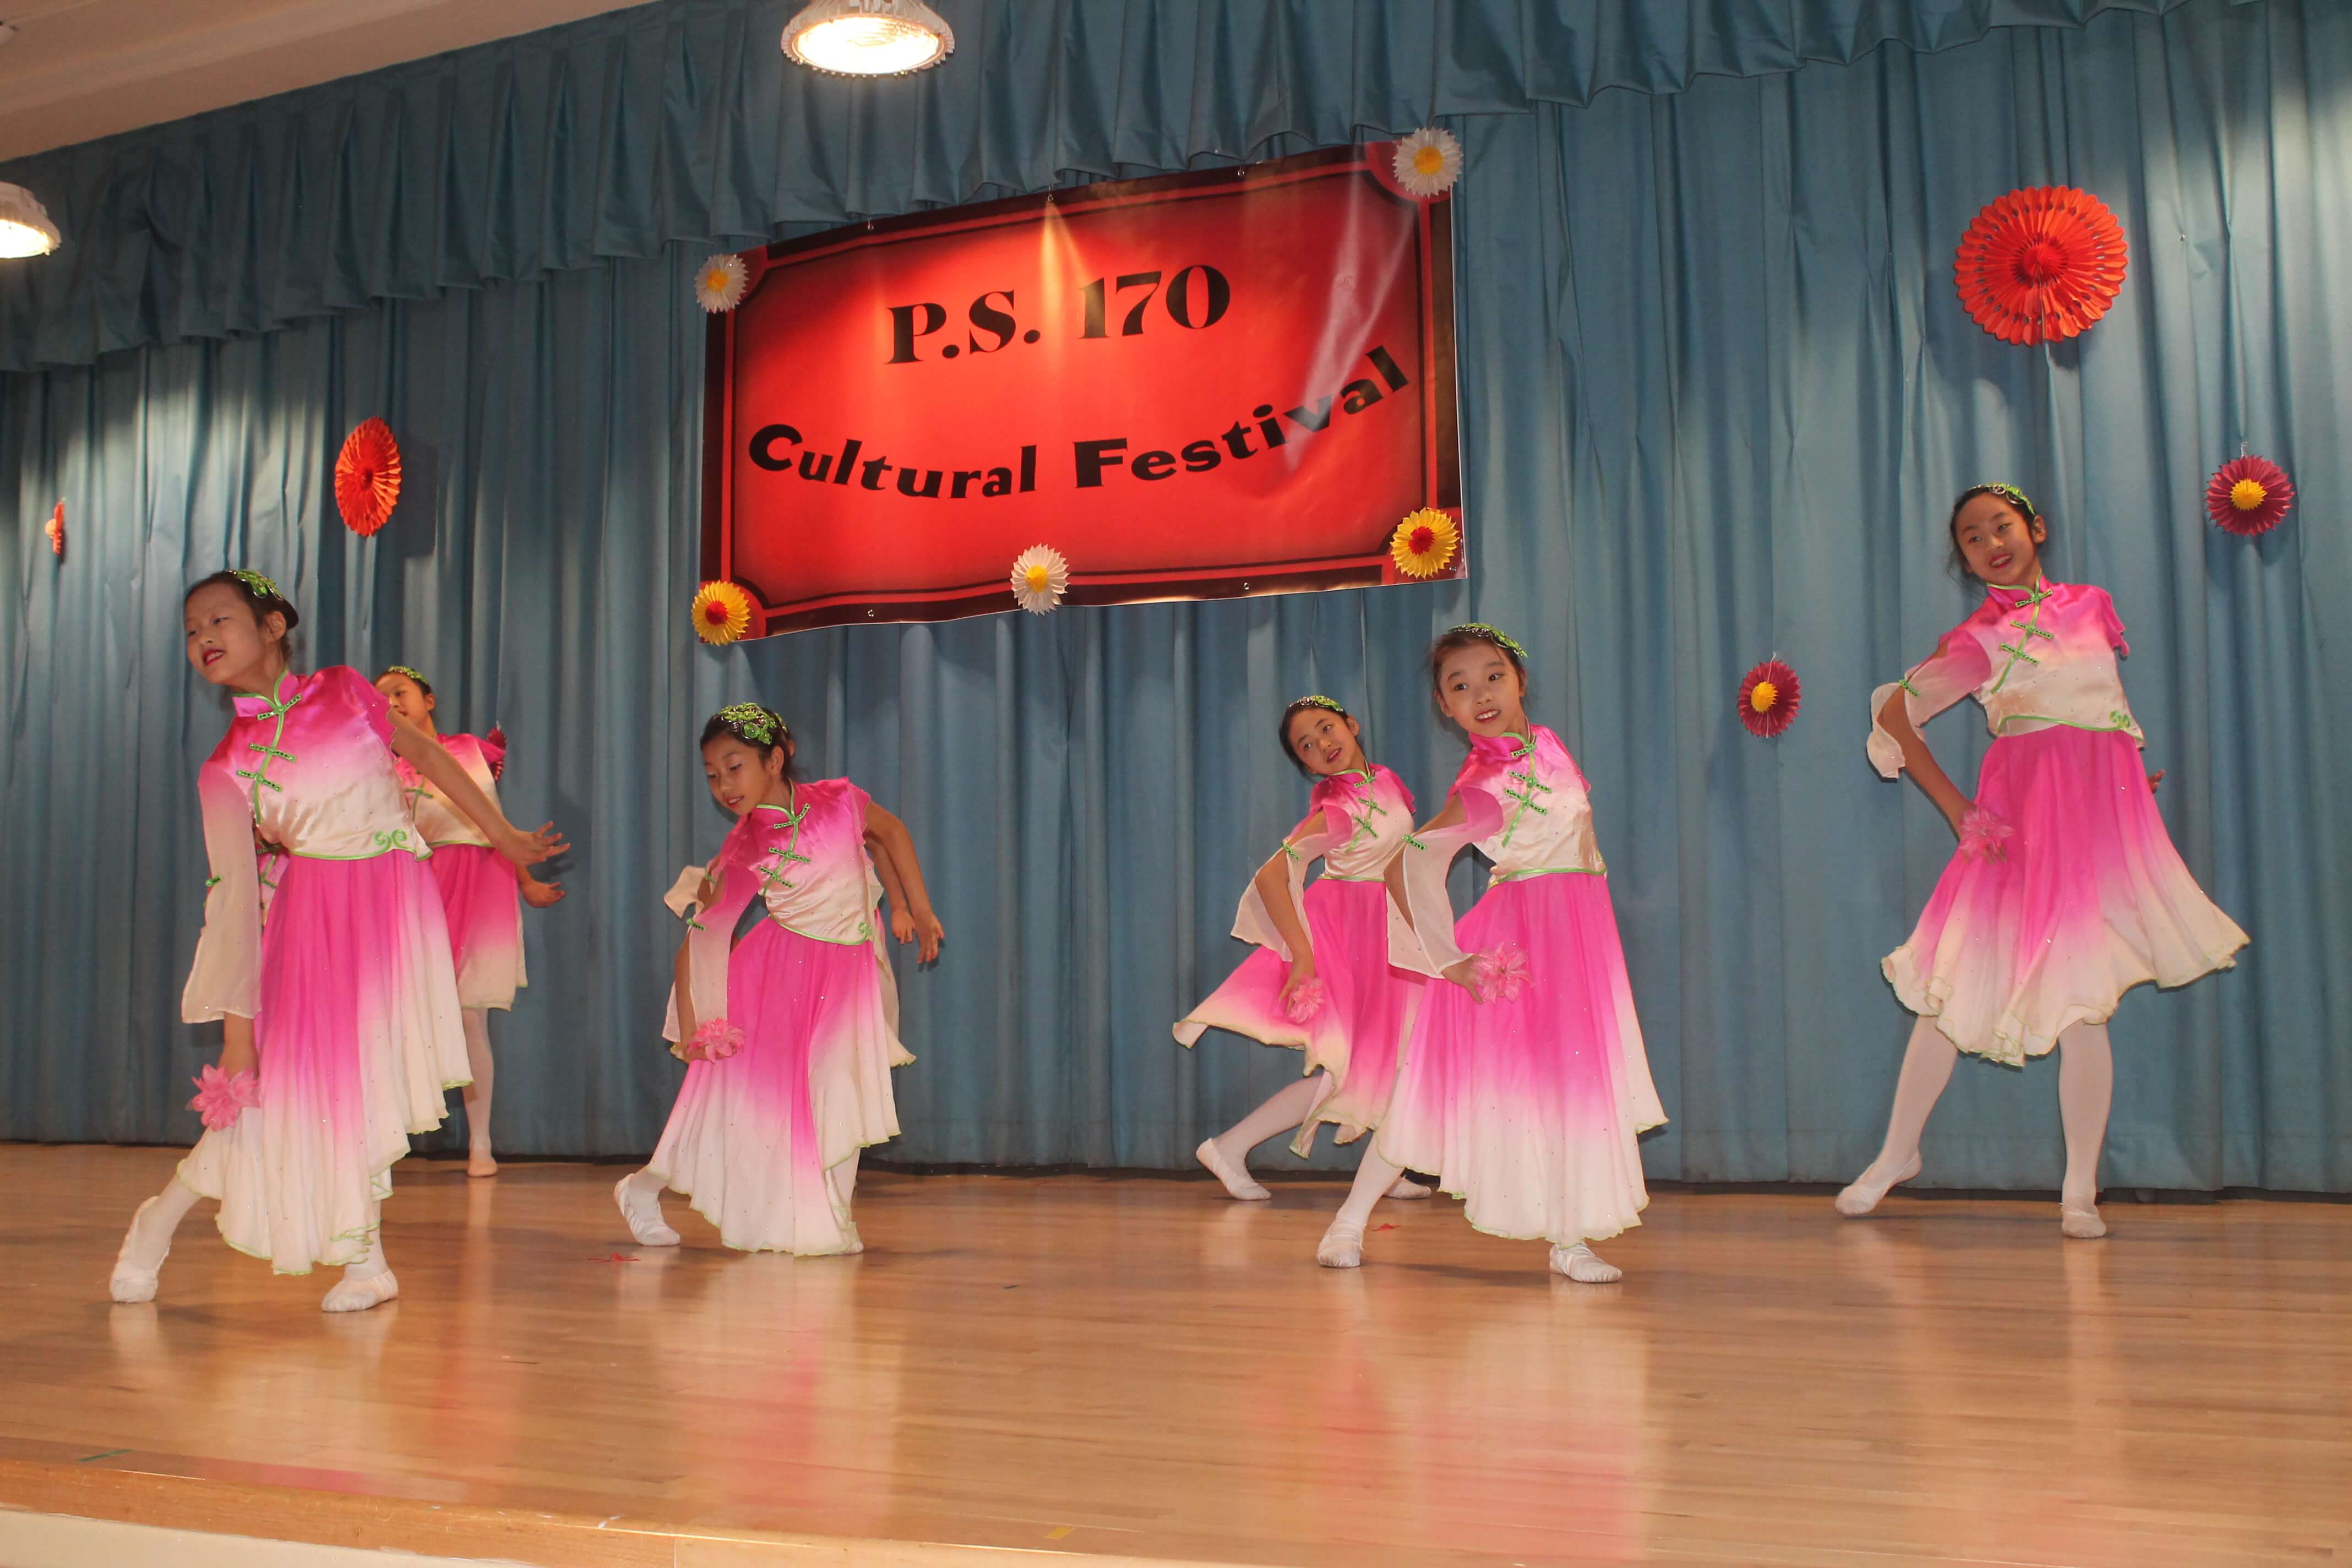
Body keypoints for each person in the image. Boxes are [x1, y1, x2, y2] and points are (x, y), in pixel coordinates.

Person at [1836, 484, 2247, 1237]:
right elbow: (1895, 715)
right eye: (1972, 538)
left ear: (2036, 529)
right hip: (2017, 824)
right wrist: (1958, 809)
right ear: (1964, 559)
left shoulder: (2092, 605)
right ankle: (1897, 1154)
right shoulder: (1978, 636)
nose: (1992, 543)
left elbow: (2105, 711)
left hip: (2094, 823)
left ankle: (2079, 1190)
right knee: (1954, 983)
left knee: (2084, 1001)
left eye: (2002, 526)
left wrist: (2124, 786)